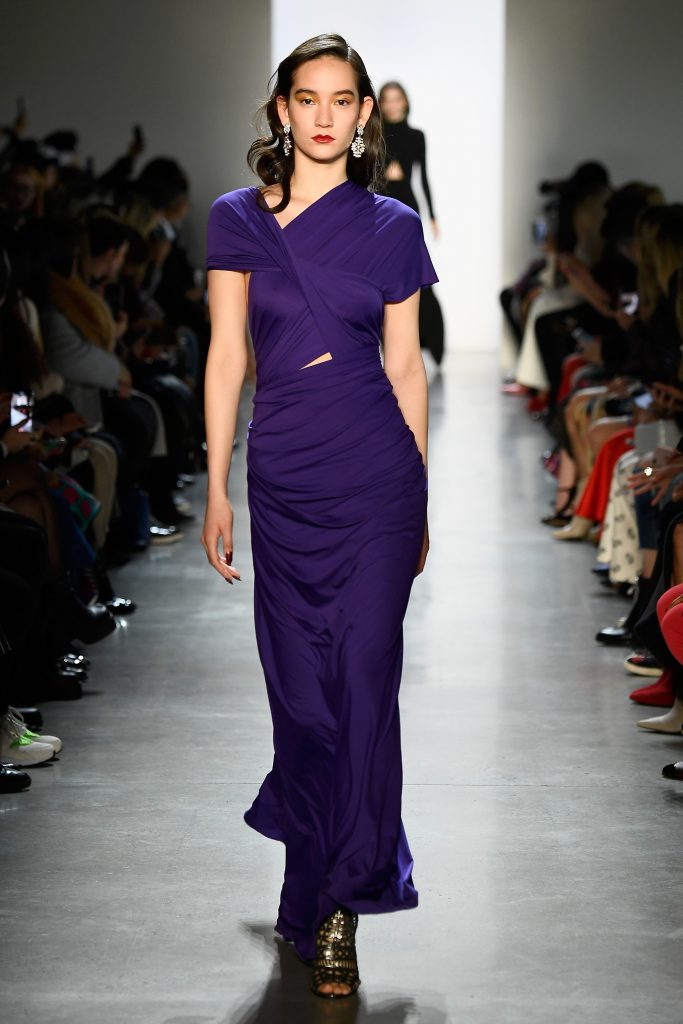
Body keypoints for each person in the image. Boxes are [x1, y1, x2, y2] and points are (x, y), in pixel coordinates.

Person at [201, 34, 436, 1000]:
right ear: (283, 112)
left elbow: (406, 365)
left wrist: (420, 494)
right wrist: (215, 482)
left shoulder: (389, 224)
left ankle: (339, 915)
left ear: (362, 116)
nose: (328, 115)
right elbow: (225, 358)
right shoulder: (235, 222)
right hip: (286, 485)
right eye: (309, 98)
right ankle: (309, 894)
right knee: (303, 705)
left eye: (344, 99)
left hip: (378, 484)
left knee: (363, 690)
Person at [379, 81, 444, 365]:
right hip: (379, 210)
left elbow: (423, 177)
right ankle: (391, 344)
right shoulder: (374, 135)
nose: (393, 104)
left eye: (397, 99)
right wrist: (384, 175)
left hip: (407, 209)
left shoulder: (417, 136)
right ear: (380, 104)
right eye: (387, 99)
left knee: (416, 276)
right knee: (383, 277)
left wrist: (432, 216)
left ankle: (431, 343)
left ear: (405, 102)